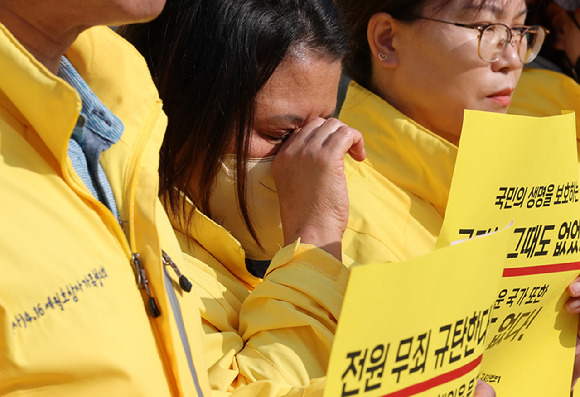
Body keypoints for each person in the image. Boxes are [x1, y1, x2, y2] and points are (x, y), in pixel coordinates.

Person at [0, 0, 365, 396]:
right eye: (280, 135)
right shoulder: (127, 212)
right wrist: (314, 242)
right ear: (187, 107)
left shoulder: (101, 128)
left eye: (325, 128)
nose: (313, 160)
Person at [335, 0, 580, 390]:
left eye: (519, 30)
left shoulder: (540, 180)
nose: (513, 59)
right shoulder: (333, 215)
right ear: (387, 40)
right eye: (486, 28)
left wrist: (558, 353)